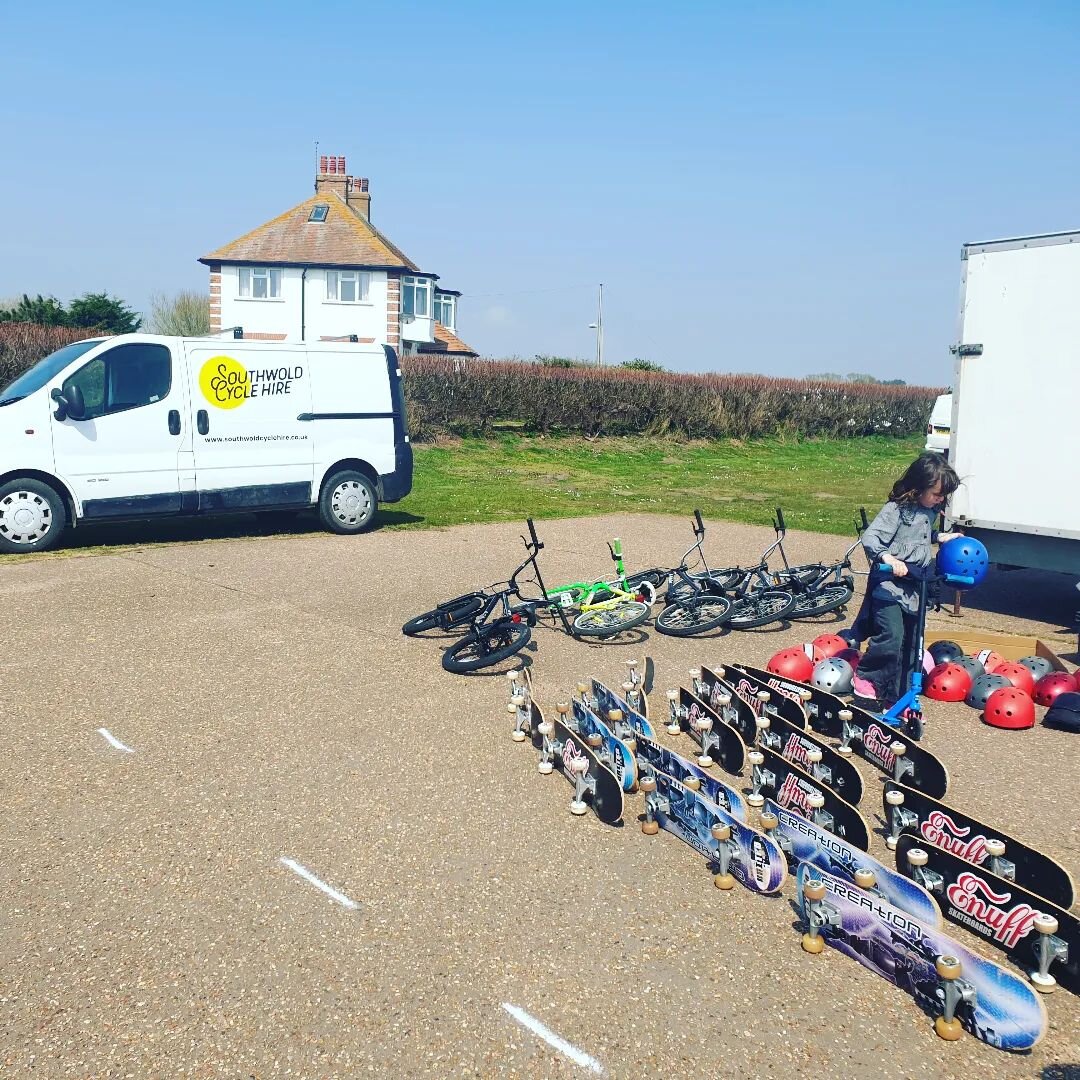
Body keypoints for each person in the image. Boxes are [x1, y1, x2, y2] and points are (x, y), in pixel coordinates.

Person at [844, 452, 964, 711]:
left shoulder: (929, 511)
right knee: (892, 636)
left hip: (915, 590)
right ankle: (867, 678)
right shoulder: (896, 510)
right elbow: (871, 538)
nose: (940, 499)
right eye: (936, 493)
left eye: (943, 495)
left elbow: (915, 537)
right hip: (888, 586)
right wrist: (888, 558)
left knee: (912, 645)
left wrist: (938, 537)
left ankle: (897, 696)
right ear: (918, 487)